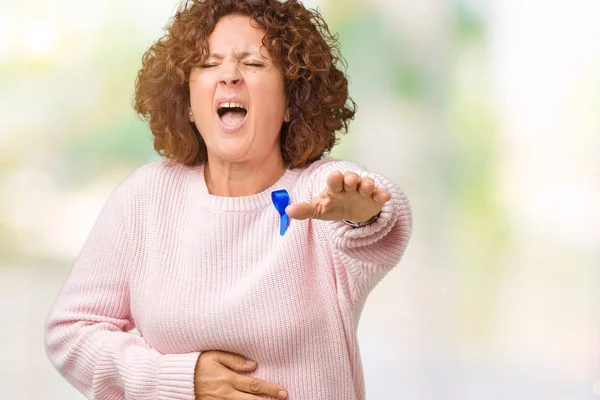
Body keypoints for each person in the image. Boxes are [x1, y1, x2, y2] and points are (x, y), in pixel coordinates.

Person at [44, 0, 412, 399]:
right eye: (208, 63)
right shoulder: (145, 199)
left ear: (292, 101)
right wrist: (176, 378)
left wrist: (364, 215)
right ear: (187, 102)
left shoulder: (317, 191)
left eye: (253, 63)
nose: (230, 76)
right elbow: (71, 331)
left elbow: (379, 213)